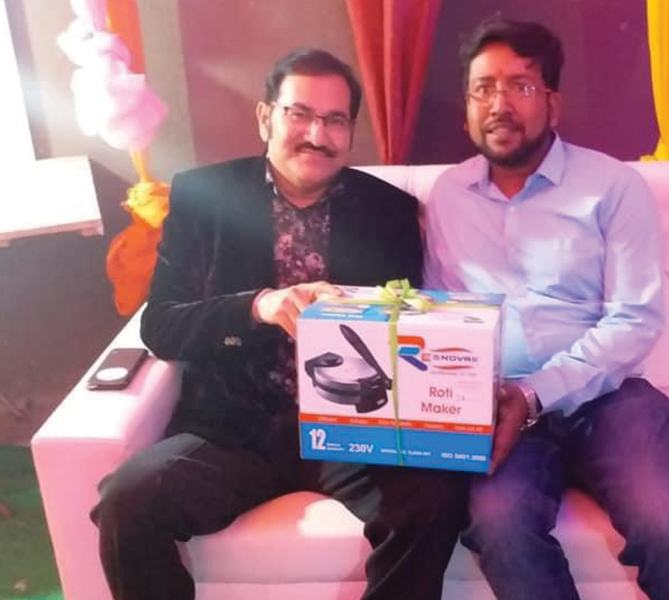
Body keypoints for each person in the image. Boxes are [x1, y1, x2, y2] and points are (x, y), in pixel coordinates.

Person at [91, 48, 468, 600]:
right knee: (128, 500)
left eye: (335, 120)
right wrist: (258, 307)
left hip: (351, 428)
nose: (317, 134)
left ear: (350, 132)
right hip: (235, 429)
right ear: (266, 117)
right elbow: (162, 326)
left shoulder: (388, 209)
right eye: (300, 114)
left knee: (436, 496)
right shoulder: (203, 197)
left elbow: (404, 323)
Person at [424, 17, 669, 600]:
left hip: (610, 399)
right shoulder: (448, 196)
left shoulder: (613, 186)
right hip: (500, 404)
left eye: (520, 85)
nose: (499, 105)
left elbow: (635, 320)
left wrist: (535, 392)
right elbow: (441, 314)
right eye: (483, 88)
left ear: (553, 102)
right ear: (466, 107)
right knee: (500, 528)